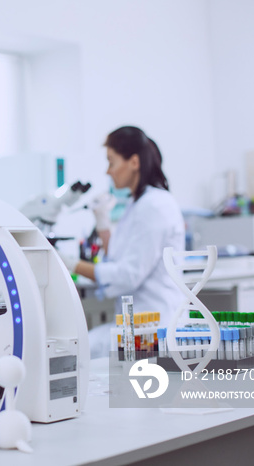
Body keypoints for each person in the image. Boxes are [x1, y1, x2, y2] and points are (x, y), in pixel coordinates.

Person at [61, 126, 185, 356]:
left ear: (134, 162)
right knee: (83, 346)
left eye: (112, 162)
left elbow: (129, 274)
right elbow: (117, 258)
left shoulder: (154, 206)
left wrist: (69, 264)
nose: (108, 171)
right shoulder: (138, 204)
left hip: (155, 328)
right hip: (139, 323)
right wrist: (103, 226)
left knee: (79, 350)